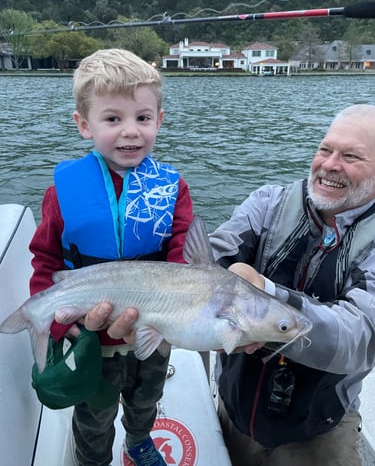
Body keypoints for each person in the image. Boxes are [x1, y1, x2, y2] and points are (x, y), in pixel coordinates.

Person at [84, 103, 375, 466]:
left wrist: (269, 297)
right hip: (236, 408)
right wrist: (150, 300)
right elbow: (212, 258)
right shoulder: (270, 203)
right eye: (325, 149)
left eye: (351, 156)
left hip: (319, 427)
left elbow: (361, 338)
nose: (330, 164)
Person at [29, 48, 194, 466]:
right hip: (92, 341)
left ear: (159, 120)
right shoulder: (61, 194)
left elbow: (183, 254)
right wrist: (54, 322)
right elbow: (45, 259)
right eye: (112, 119)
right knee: (94, 416)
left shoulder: (173, 189)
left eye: (142, 118)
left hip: (152, 331)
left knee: (146, 400)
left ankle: (138, 441)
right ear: (84, 125)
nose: (130, 132)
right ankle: (93, 460)